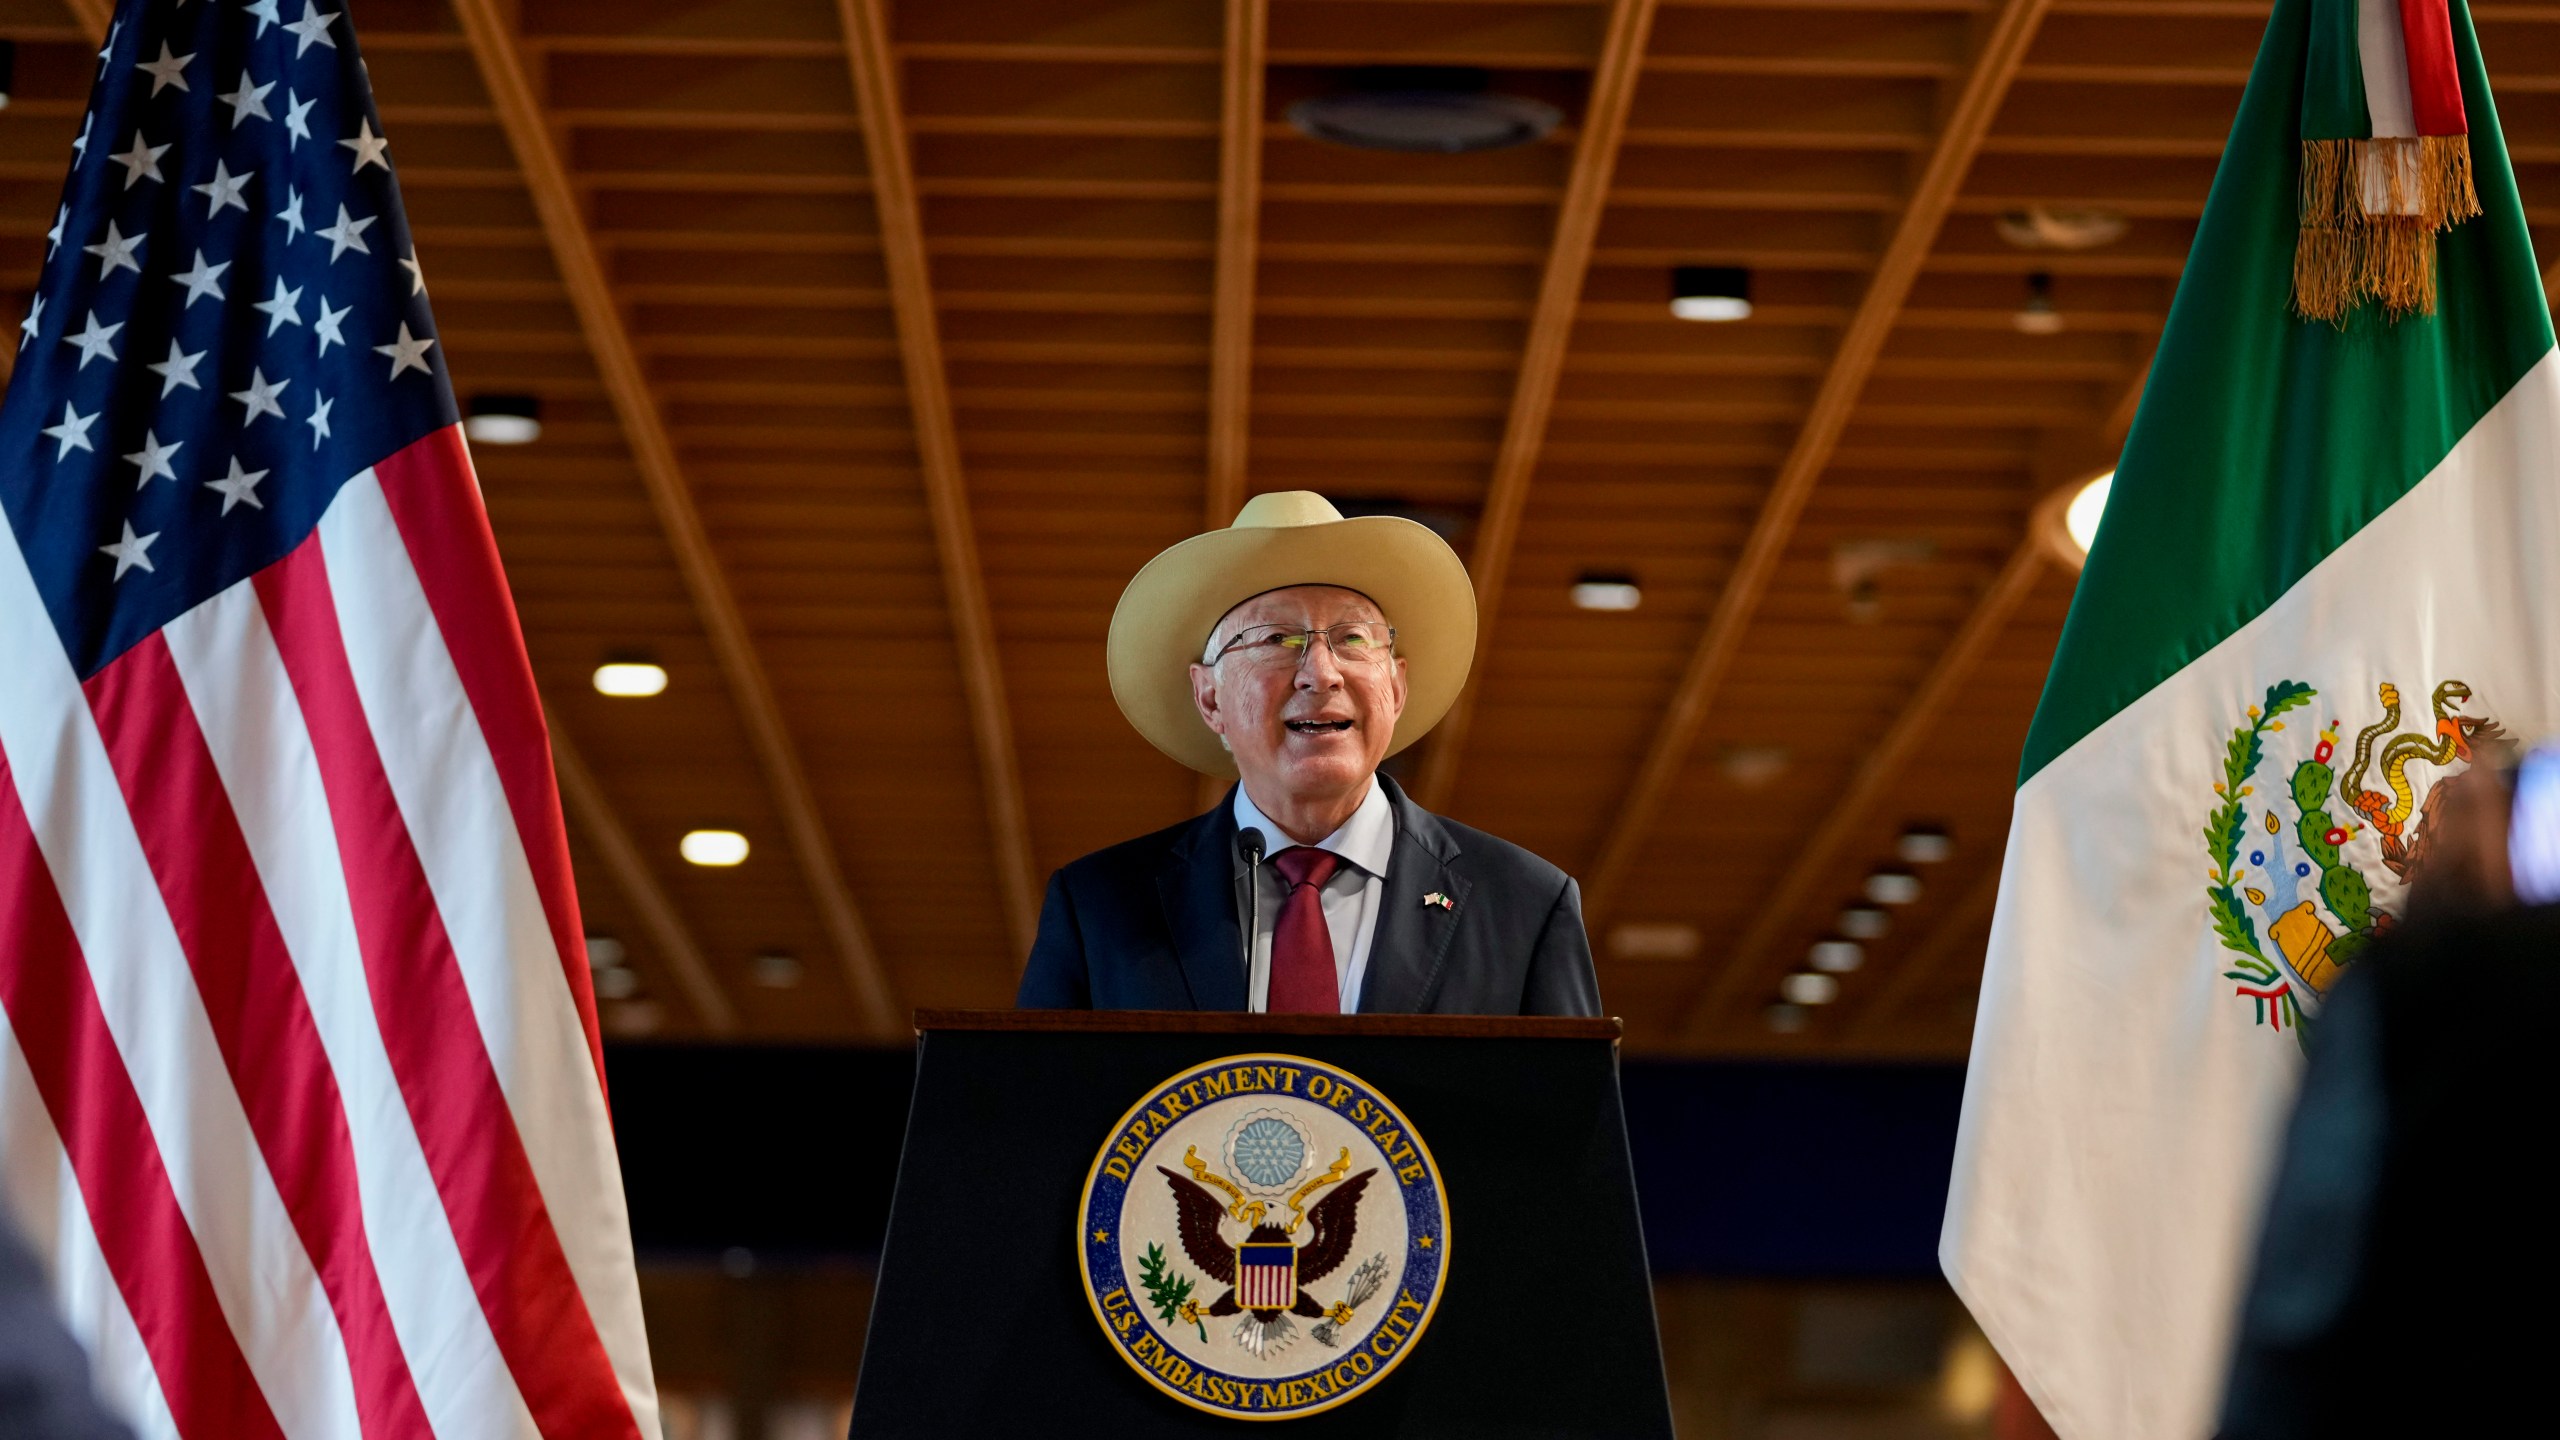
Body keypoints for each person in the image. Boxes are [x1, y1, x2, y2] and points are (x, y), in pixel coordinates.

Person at [1015, 492, 1600, 1015]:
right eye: (1276, 640)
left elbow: (1574, 1134)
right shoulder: (1100, 907)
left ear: (1395, 687)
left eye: (1350, 639)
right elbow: (1036, 1126)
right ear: (1210, 697)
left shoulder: (1525, 905)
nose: (1320, 674)